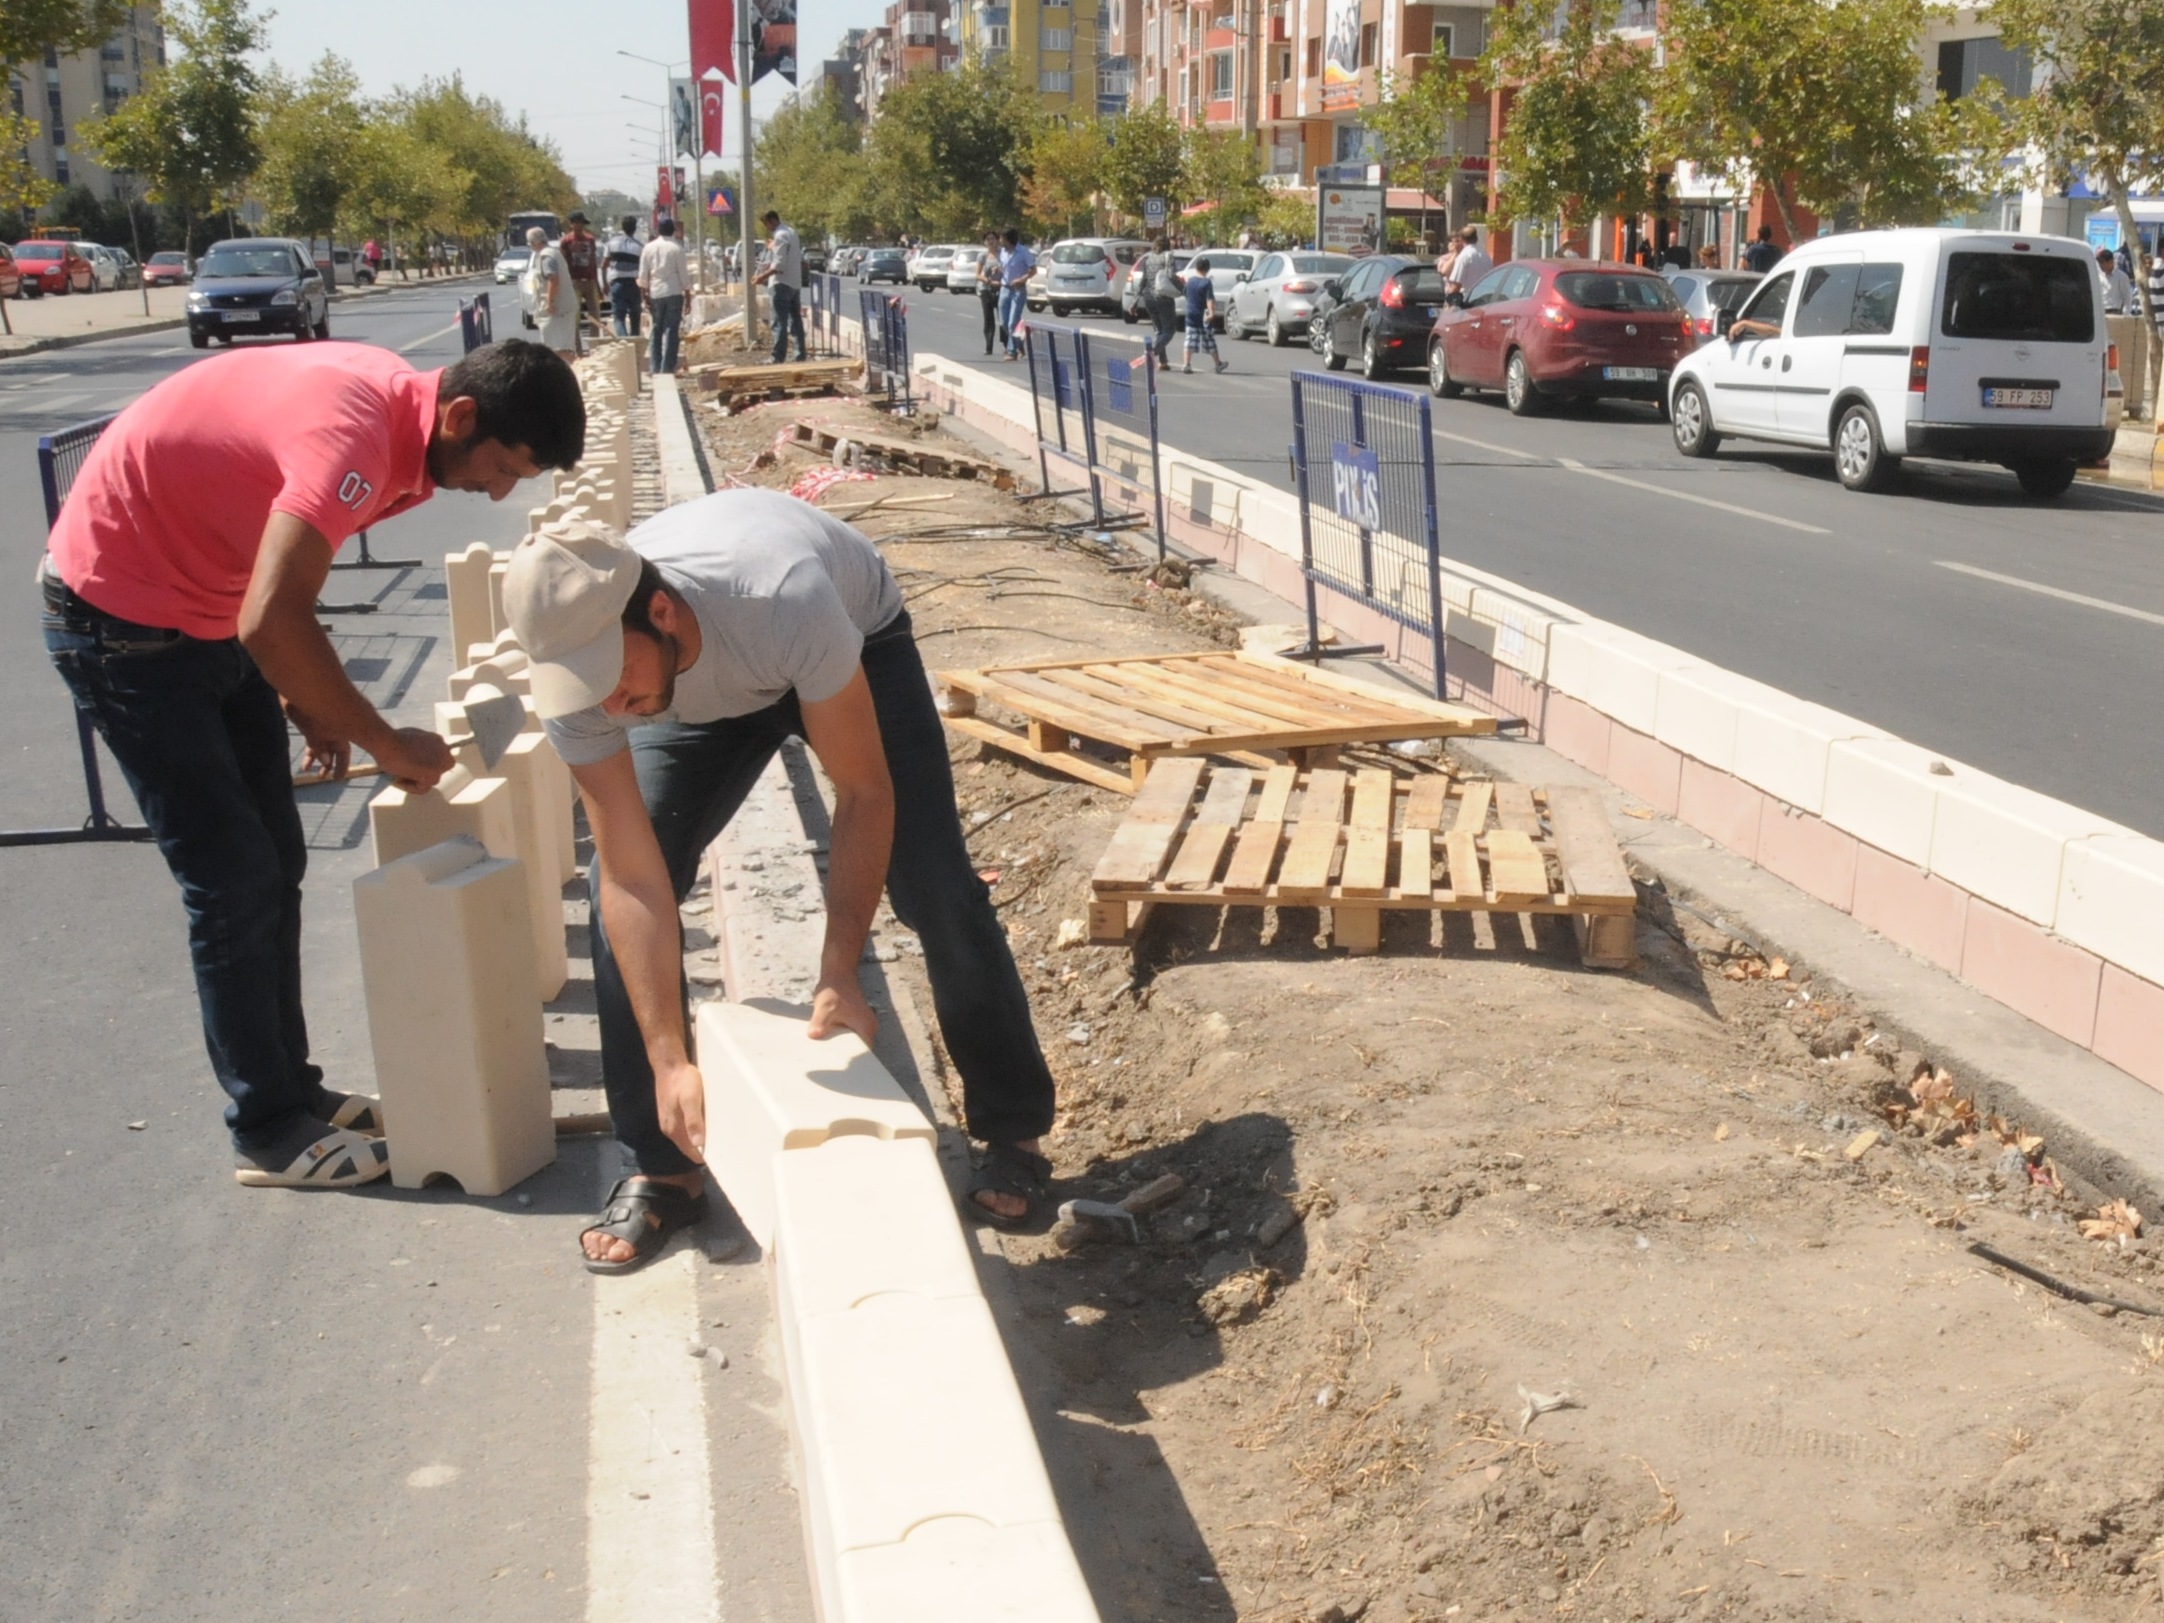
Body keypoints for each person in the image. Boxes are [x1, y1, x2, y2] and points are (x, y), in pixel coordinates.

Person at [40, 340, 585, 1189]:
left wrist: (310, 693)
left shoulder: (411, 437)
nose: (500, 491)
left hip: (210, 612)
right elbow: (273, 617)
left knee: (277, 860)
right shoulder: (357, 436)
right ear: (462, 415)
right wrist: (383, 741)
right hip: (124, 620)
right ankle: (265, 1129)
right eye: (503, 467)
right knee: (231, 878)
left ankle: (294, 1089)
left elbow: (280, 584)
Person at [500, 494, 1061, 1272]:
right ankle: (664, 1166)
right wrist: (669, 1057)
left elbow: (864, 792)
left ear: (659, 611)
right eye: (585, 689)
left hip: (844, 647)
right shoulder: (587, 685)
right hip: (701, 691)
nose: (608, 707)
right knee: (617, 888)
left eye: (611, 678)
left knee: (934, 883)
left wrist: (840, 973)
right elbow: (633, 876)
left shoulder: (781, 597)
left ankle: (1013, 1127)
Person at [754, 208, 806, 366]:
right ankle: (800, 354)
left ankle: (777, 357)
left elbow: (779, 265)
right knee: (795, 320)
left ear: (771, 221)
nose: (767, 228)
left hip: (781, 283)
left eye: (766, 224)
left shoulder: (780, 235)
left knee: (779, 322)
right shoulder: (791, 232)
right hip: (795, 283)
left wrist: (761, 277)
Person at [639, 218, 689, 375]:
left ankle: (655, 367)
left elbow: (643, 275)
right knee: (672, 330)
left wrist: (644, 296)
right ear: (673, 230)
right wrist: (688, 296)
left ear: (657, 230)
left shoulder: (648, 248)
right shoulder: (677, 248)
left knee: (656, 329)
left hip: (656, 292)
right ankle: (667, 367)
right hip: (674, 292)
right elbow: (684, 275)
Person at [524, 226, 579, 360]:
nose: (530, 246)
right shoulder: (553, 253)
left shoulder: (546, 256)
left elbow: (553, 280)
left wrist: (550, 302)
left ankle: (571, 371)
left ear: (535, 242)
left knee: (557, 348)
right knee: (561, 346)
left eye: (530, 243)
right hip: (563, 308)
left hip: (557, 310)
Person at [1180, 257, 1229, 375]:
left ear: (1196, 267)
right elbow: (1209, 299)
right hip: (1203, 315)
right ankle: (1218, 364)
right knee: (1209, 340)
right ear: (1207, 269)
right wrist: (1212, 312)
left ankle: (1186, 364)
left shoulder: (1190, 281)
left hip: (1190, 313)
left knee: (1189, 339)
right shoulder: (1206, 282)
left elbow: (1185, 293)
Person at [561, 211, 603, 335]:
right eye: (578, 223)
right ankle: (576, 348)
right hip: (574, 282)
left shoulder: (590, 239)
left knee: (595, 314)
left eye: (582, 223)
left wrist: (597, 284)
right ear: (572, 224)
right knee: (575, 316)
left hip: (590, 280)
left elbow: (593, 262)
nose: (580, 226)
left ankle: (594, 342)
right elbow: (563, 263)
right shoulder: (566, 241)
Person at [1140, 236, 1180, 362]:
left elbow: (1143, 279)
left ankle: (1163, 362)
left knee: (1159, 330)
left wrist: (1135, 300)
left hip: (1148, 297)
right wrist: (1182, 288)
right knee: (1169, 330)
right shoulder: (1168, 256)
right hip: (1163, 296)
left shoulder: (1148, 258)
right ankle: (1153, 351)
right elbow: (1171, 275)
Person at [604, 215, 644, 339]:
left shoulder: (612, 243)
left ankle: (624, 341)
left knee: (619, 317)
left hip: (617, 283)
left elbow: (603, 265)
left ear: (622, 227)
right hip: (634, 284)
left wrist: (605, 283)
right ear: (635, 228)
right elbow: (643, 270)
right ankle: (635, 344)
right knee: (635, 316)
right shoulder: (640, 247)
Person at [997, 228, 1034, 361]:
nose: (1000, 241)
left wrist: (1021, 279)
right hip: (1005, 289)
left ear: (1008, 239)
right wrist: (998, 269)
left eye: (1002, 238)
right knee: (1004, 322)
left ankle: (1012, 351)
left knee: (1013, 321)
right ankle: (1019, 343)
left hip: (1018, 290)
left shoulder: (1023, 252)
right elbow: (1004, 268)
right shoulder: (1002, 252)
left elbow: (1032, 270)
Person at [1444, 225, 1491, 302]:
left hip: (1469, 301)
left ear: (1462, 239)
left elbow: (1456, 285)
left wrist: (1448, 304)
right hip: (1486, 299)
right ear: (1476, 239)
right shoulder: (1485, 256)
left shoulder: (1464, 256)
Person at [976, 232, 1003, 357]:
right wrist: (989, 281)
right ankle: (988, 347)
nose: (991, 241)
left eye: (993, 238)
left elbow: (1009, 270)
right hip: (986, 290)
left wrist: (1000, 280)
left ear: (998, 240)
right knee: (988, 319)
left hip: (1002, 289)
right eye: (988, 239)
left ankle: (1007, 345)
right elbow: (977, 275)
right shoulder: (983, 256)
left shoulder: (1003, 255)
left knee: (1003, 318)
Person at [2098, 247, 2136, 316]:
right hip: (2099, 312)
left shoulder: (2121, 276)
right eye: (2099, 262)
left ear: (2110, 262)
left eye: (2102, 262)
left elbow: (2128, 297)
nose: (2100, 265)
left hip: (2114, 312)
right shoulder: (2098, 276)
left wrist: (2125, 314)